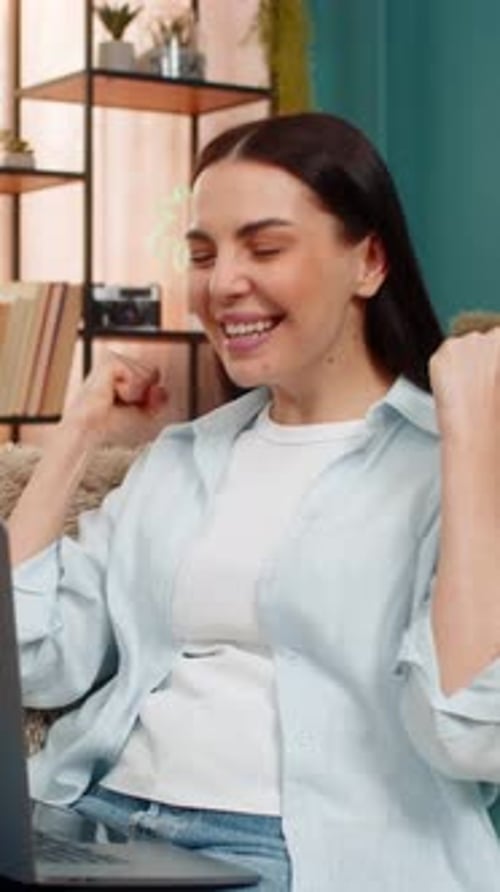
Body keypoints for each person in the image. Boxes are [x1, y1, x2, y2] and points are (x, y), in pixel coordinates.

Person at [7, 111, 500, 892]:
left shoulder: (451, 465)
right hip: (96, 820)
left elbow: (473, 733)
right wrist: (77, 437)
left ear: (369, 261)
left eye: (265, 248)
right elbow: (31, 660)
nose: (222, 283)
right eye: (203, 254)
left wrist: (472, 443)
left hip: (295, 853)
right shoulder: (182, 460)